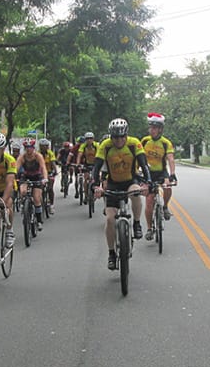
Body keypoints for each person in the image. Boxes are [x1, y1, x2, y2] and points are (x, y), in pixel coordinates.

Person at [92, 118, 152, 270]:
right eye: (115, 137)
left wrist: (148, 182)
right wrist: (96, 185)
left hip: (130, 180)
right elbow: (96, 167)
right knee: (110, 219)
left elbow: (144, 164)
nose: (119, 140)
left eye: (122, 137)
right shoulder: (105, 146)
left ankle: (137, 223)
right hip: (113, 183)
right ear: (111, 136)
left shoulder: (134, 143)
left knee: (135, 192)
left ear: (126, 135)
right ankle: (111, 253)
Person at [141, 112, 178, 239]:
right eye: (150, 127)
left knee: (168, 186)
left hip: (161, 172)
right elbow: (138, 157)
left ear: (160, 129)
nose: (152, 130)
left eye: (155, 128)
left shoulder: (165, 143)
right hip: (148, 173)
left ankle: (165, 206)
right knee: (149, 202)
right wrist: (136, 171)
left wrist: (172, 174)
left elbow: (171, 159)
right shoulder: (145, 141)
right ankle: (149, 229)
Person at [16, 137, 48, 230]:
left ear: (33, 148)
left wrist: (45, 178)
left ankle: (39, 220)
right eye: (26, 147)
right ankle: (24, 207)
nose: (28, 149)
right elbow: (15, 169)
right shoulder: (22, 157)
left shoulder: (38, 156)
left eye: (30, 147)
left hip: (37, 177)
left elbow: (43, 168)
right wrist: (13, 177)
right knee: (23, 191)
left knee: (37, 198)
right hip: (26, 176)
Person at [76, 132, 98, 203]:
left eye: (90, 138)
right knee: (86, 178)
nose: (89, 140)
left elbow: (100, 155)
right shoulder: (83, 146)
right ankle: (86, 195)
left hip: (95, 164)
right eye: (87, 139)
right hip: (87, 164)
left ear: (93, 139)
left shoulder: (97, 145)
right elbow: (79, 155)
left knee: (96, 179)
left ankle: (95, 193)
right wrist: (78, 164)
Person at [38, 138, 58, 215]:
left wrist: (55, 171)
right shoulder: (37, 153)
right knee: (40, 189)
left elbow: (53, 162)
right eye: (42, 146)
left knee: (50, 188)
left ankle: (51, 205)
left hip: (49, 172)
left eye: (45, 146)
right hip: (40, 173)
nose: (44, 147)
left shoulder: (50, 153)